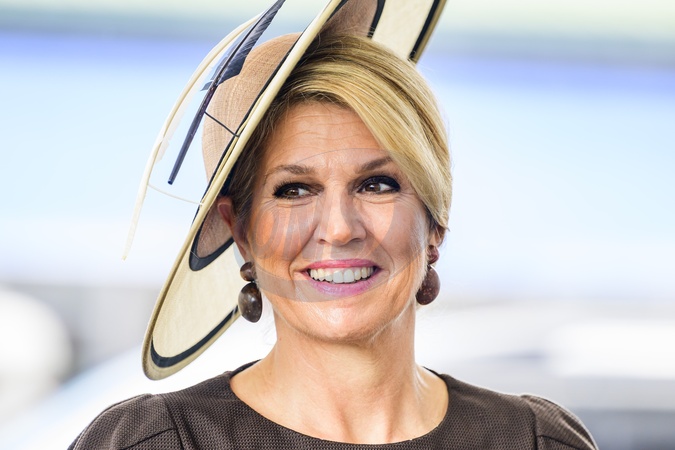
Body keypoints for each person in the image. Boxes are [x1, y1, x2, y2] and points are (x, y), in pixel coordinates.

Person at [70, 1, 597, 448]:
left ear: (435, 219)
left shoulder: (534, 439)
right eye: (294, 190)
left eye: (377, 185)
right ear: (241, 232)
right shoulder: (158, 440)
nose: (340, 229)